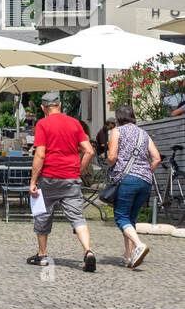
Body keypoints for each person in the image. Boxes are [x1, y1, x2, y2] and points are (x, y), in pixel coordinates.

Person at [28, 91, 96, 271]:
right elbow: (89, 151)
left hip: (49, 178)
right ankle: (88, 251)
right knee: (77, 217)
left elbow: (40, 154)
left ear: (43, 108)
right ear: (60, 106)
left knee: (42, 214)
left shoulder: (42, 124)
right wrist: (78, 170)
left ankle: (42, 254)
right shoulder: (74, 123)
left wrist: (33, 181)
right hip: (71, 179)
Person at [106, 104, 161, 268]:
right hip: (145, 181)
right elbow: (157, 158)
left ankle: (139, 244)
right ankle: (129, 256)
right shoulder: (144, 134)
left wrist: (109, 161)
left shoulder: (117, 131)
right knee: (130, 219)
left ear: (118, 118)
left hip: (127, 180)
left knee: (121, 217)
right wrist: (145, 172)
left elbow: (112, 157)